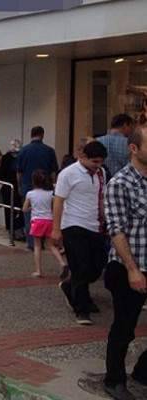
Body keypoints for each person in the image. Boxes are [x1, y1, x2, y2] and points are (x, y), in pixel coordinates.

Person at [102, 127, 147, 400]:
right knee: (124, 327)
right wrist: (133, 270)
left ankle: (143, 371)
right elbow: (116, 230)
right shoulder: (120, 184)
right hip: (129, 267)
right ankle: (114, 379)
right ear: (134, 148)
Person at [52, 141, 108, 326]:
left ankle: (69, 286)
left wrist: (104, 218)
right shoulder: (68, 174)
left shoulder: (101, 173)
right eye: (94, 161)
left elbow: (100, 197)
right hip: (73, 225)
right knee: (80, 267)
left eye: (100, 161)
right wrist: (56, 229)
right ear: (82, 157)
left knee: (97, 266)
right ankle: (81, 309)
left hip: (95, 225)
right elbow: (58, 201)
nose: (97, 165)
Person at [17, 126, 59, 250]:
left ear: (31, 135)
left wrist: (19, 186)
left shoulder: (23, 150)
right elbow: (53, 172)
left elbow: (19, 172)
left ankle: (32, 243)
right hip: (46, 186)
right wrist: (53, 184)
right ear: (42, 135)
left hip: (27, 185)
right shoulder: (49, 150)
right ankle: (46, 240)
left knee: (29, 215)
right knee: (47, 212)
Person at [22, 171, 68, 278]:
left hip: (37, 221)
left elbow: (24, 209)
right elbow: (54, 207)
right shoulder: (50, 194)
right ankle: (62, 263)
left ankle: (38, 270)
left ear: (33, 181)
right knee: (51, 245)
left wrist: (31, 208)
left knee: (37, 246)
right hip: (49, 221)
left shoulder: (30, 194)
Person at [0, 139, 24, 240]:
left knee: (10, 209)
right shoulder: (20, 157)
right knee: (16, 208)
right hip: (15, 186)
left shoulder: (6, 158)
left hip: (9, 186)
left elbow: (1, 173)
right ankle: (16, 230)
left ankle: (13, 230)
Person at [97, 114, 134, 179]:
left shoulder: (97, 141)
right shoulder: (129, 144)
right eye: (131, 127)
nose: (132, 130)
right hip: (123, 182)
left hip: (101, 182)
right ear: (125, 125)